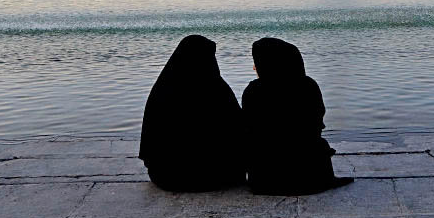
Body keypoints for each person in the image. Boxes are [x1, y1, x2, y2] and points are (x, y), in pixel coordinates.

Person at [242, 37, 353, 195]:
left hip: (264, 180)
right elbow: (316, 124)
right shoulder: (307, 86)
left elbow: (248, 129)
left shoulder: (253, 91)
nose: (254, 67)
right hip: (309, 178)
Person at [139, 35, 245, 191]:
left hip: (167, 177)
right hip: (218, 177)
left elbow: (151, 142)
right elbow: (239, 130)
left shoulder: (163, 89)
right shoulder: (218, 90)